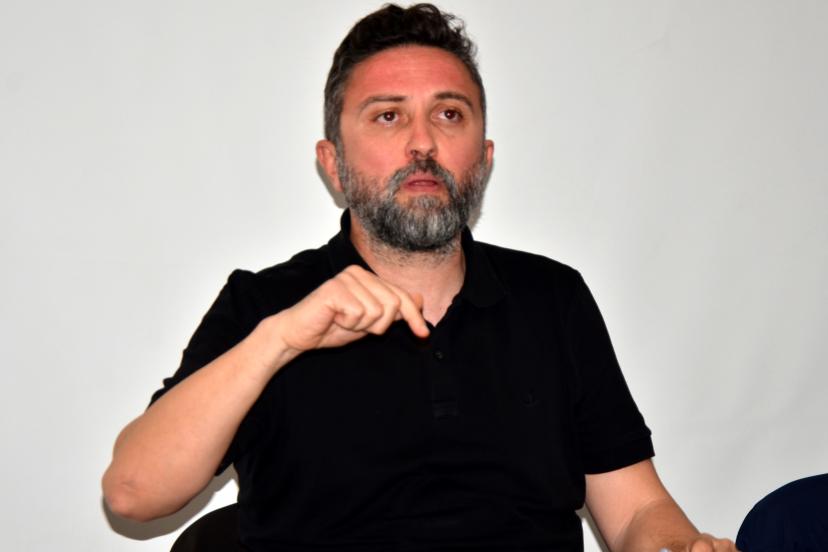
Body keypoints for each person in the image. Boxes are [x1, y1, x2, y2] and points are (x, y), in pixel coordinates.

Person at [103, 4, 738, 551]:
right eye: (387, 116)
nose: (423, 144)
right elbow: (133, 493)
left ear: (483, 157)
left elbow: (635, 509)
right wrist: (280, 341)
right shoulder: (265, 305)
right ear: (333, 163)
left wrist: (677, 546)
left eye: (449, 115)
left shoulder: (553, 298)